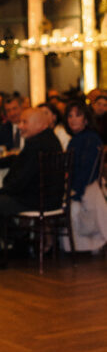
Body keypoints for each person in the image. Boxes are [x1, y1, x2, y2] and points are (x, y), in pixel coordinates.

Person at [0, 107, 62, 271]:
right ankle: (19, 243)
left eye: (24, 122)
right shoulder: (49, 139)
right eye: (20, 122)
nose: (20, 126)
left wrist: (1, 192)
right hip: (48, 197)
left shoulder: (35, 144)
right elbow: (20, 160)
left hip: (35, 199)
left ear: (40, 124)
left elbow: (21, 180)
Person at [64, 100, 107, 252]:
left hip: (87, 188)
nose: (73, 119)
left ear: (86, 119)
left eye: (78, 115)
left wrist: (75, 192)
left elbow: (88, 170)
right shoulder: (75, 140)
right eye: (69, 116)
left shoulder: (90, 139)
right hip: (79, 185)